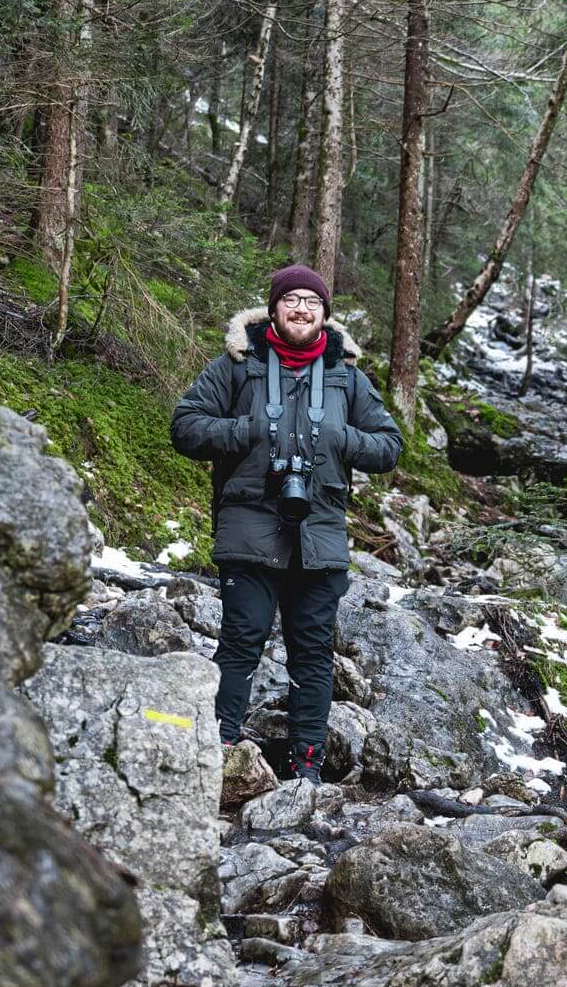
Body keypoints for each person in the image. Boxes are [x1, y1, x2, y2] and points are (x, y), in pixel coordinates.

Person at [170, 265, 402, 783]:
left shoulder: (347, 375)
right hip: (249, 524)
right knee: (241, 638)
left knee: (313, 653)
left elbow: (389, 446)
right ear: (273, 308)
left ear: (325, 314)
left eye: (312, 302)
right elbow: (184, 427)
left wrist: (343, 439)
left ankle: (306, 771)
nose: (302, 309)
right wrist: (250, 430)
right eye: (292, 300)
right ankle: (221, 749)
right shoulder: (238, 365)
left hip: (319, 532)